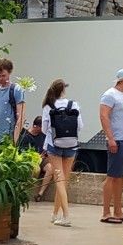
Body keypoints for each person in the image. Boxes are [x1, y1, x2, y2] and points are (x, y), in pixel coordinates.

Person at [39, 79, 83, 227]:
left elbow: (45, 130)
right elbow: (80, 126)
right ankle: (55, 214)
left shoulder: (48, 106)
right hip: (71, 144)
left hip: (54, 145)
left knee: (59, 179)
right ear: (63, 90)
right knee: (63, 180)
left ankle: (65, 215)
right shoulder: (74, 104)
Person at [98, 69, 123, 224]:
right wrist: (111, 138)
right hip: (117, 140)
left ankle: (118, 211)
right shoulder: (109, 95)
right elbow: (104, 115)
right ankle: (106, 212)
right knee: (112, 176)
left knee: (121, 177)